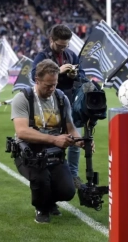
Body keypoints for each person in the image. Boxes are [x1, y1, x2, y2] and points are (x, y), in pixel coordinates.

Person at [11, 59, 92, 223]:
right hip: (28, 152)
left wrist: (80, 141)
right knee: (41, 180)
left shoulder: (61, 98)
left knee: (68, 191)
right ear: (37, 80)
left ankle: (50, 200)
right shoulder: (23, 98)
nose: (52, 89)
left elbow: (70, 128)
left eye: (54, 84)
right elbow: (22, 131)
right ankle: (42, 207)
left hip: (53, 152)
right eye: (48, 85)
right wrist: (54, 139)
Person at [31, 24, 86, 188]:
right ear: (51, 40)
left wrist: (75, 74)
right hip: (49, 104)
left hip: (70, 101)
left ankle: (73, 175)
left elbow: (81, 75)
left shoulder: (71, 55)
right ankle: (51, 176)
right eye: (60, 45)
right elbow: (34, 75)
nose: (63, 48)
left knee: (75, 140)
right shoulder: (42, 56)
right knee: (52, 142)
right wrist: (58, 71)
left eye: (65, 45)